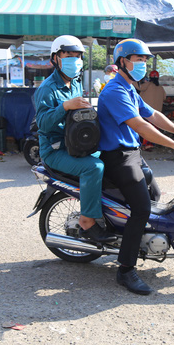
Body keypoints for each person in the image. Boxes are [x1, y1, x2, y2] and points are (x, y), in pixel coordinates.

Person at [97, 38, 174, 295]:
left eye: (144, 60)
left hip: (132, 153)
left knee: (154, 195)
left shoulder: (129, 87)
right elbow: (141, 126)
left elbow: (152, 114)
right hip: (117, 156)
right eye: (138, 59)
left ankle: (135, 241)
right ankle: (125, 270)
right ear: (123, 62)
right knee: (142, 209)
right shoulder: (114, 91)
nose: (142, 64)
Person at [34, 35, 116, 243]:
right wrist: (65, 107)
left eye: (78, 55)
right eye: (69, 55)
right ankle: (87, 221)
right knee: (94, 168)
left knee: (116, 156)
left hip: (77, 144)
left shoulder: (76, 83)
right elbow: (42, 123)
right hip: (55, 151)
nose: (75, 60)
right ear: (56, 59)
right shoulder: (47, 88)